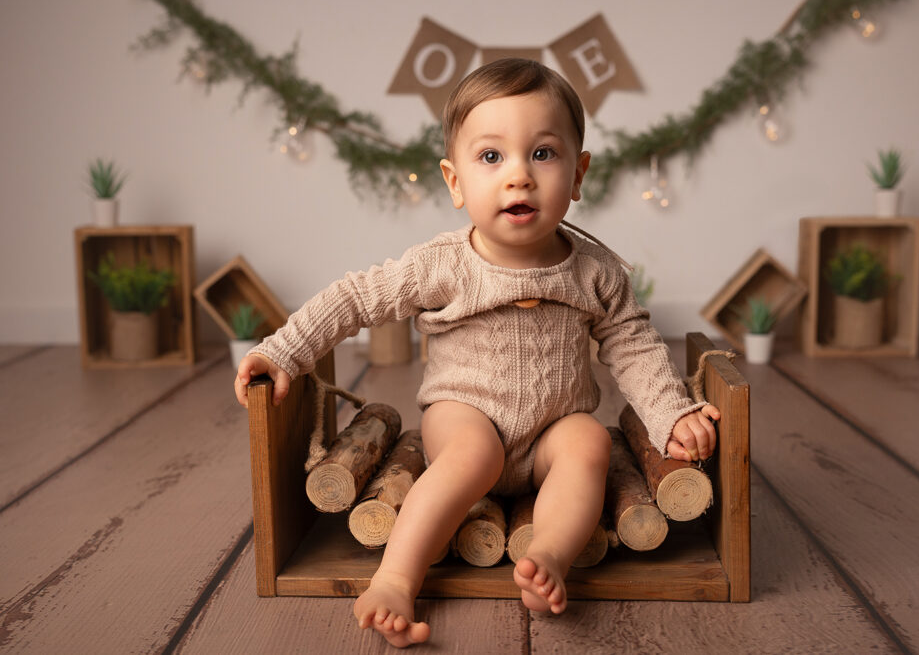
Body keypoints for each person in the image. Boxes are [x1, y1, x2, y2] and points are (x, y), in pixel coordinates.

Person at [234, 58, 720, 648]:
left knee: (587, 441)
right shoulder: (444, 264)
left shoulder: (596, 273)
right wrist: (286, 351)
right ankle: (394, 578)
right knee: (472, 451)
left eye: (543, 153)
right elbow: (357, 297)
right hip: (465, 415)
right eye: (492, 157)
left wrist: (671, 414)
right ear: (455, 181)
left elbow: (635, 346)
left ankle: (547, 555)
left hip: (550, 430)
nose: (519, 176)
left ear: (579, 173)